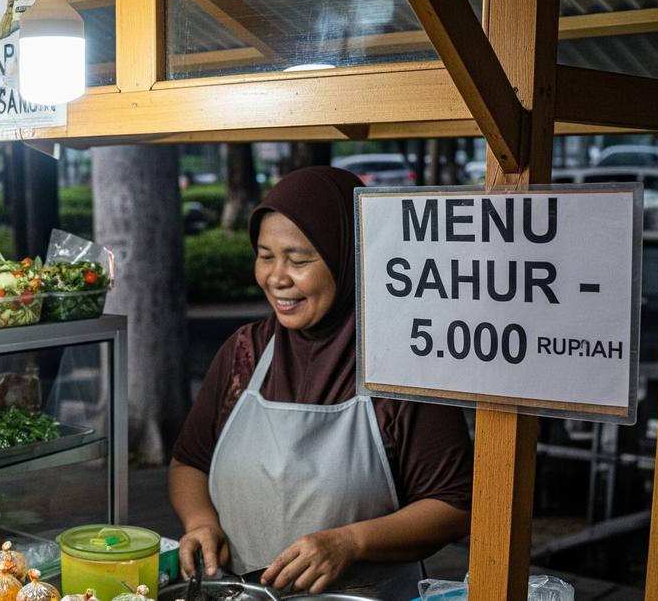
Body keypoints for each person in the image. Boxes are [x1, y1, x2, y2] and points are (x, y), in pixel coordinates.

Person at [169, 167, 473, 600]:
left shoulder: (399, 364)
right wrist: (200, 522)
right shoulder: (244, 353)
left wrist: (351, 542)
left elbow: (456, 506)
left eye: (298, 260)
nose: (276, 277)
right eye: (265, 255)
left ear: (348, 256)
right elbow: (190, 463)